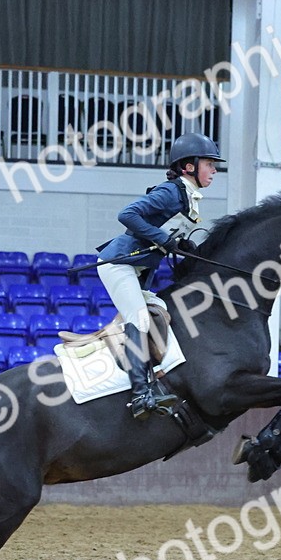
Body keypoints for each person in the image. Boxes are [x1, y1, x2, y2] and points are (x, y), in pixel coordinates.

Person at [96, 133, 223, 420]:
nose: (214, 170)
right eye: (209, 164)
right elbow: (127, 215)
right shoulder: (170, 192)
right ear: (189, 166)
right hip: (118, 264)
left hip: (139, 272)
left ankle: (156, 379)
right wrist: (164, 239)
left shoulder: (186, 196)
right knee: (139, 319)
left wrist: (182, 245)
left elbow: (169, 235)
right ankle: (140, 395)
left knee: (162, 313)